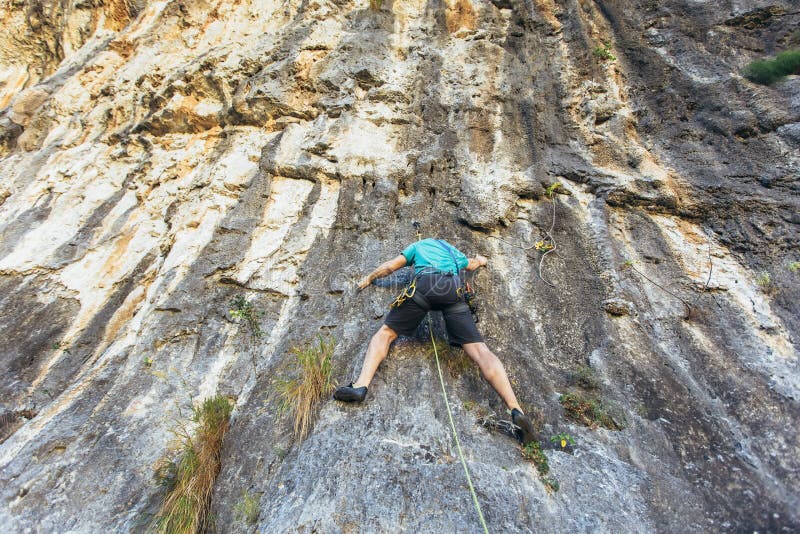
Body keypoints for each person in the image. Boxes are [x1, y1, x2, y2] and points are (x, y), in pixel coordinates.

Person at [333, 237, 540, 445]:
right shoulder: (454, 254)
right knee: (479, 350)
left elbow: (390, 267)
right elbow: (473, 263)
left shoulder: (418, 246)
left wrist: (369, 278)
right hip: (453, 289)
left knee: (385, 334)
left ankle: (360, 386)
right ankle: (515, 409)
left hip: (426, 285)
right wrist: (482, 260)